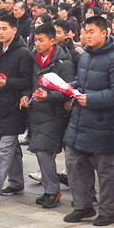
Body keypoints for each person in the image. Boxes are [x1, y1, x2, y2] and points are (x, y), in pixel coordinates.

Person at [63, 16, 114, 226]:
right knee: (75, 164)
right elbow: (82, 82)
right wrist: (67, 88)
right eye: (86, 31)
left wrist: (90, 99)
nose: (88, 35)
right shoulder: (86, 56)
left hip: (103, 123)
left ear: (104, 32)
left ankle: (108, 211)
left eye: (92, 31)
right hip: (80, 121)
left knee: (106, 171)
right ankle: (82, 206)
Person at [0, 13, 34, 205]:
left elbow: (28, 80)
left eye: (4, 29)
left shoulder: (23, 53)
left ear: (14, 30)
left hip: (15, 107)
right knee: (12, 147)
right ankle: (17, 182)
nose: (0, 32)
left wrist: (7, 83)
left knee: (5, 148)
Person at [27, 22, 74, 209]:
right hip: (36, 113)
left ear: (52, 41)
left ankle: (53, 191)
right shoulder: (34, 59)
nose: (37, 44)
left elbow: (68, 90)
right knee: (40, 152)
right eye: (35, 40)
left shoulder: (63, 63)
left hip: (54, 114)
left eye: (41, 40)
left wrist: (49, 95)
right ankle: (49, 190)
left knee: (44, 151)